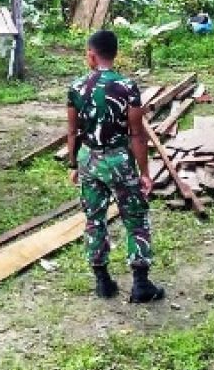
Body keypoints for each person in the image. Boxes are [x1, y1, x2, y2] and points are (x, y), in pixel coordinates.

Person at [64, 30, 165, 303]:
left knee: (94, 219)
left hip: (88, 159)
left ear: (91, 55)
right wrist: (145, 173)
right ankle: (141, 284)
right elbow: (136, 134)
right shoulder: (127, 86)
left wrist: (74, 163)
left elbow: (73, 132)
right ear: (115, 54)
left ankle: (103, 282)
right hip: (119, 161)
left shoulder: (76, 87)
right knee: (135, 219)